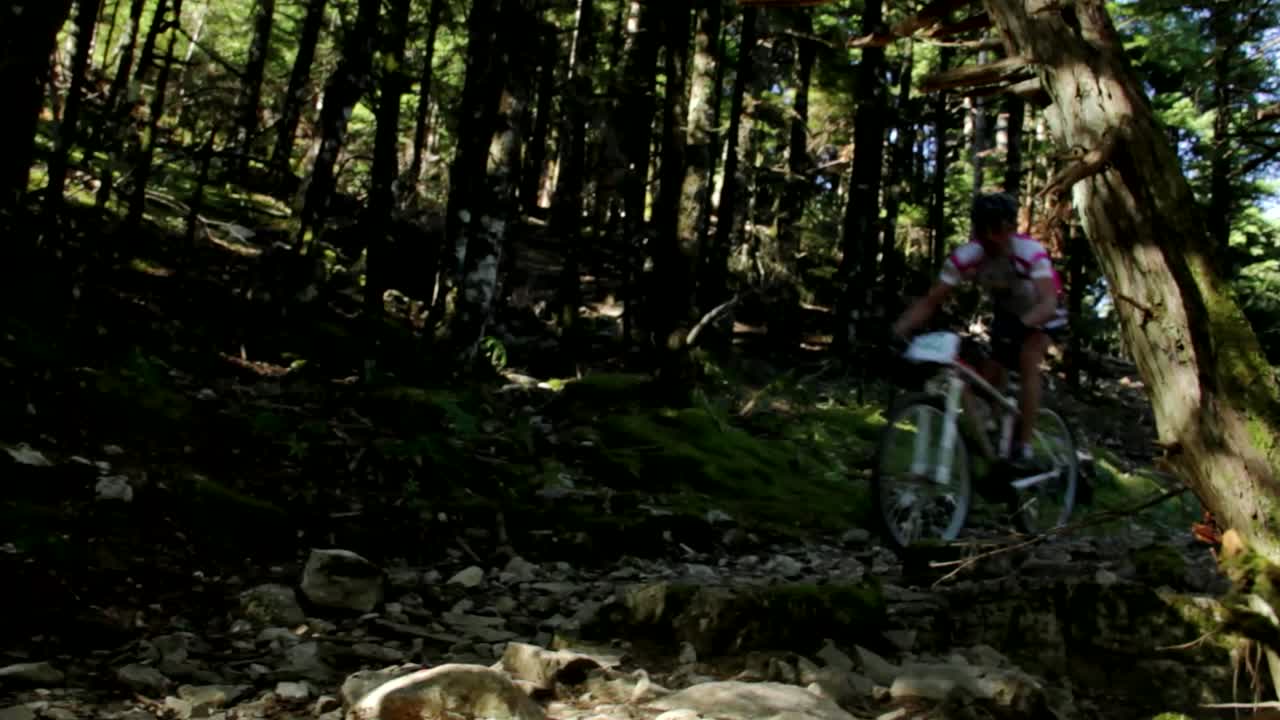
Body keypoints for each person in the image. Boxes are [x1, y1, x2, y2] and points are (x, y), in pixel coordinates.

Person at [891, 192, 1067, 473]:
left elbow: (1048, 301)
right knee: (987, 376)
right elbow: (930, 301)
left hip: (1045, 311)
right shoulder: (967, 256)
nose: (990, 237)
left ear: (1011, 228)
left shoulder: (1030, 252)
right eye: (982, 229)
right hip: (1009, 313)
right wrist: (897, 331)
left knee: (1027, 358)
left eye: (996, 229)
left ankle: (1024, 447)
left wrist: (1023, 326)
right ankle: (994, 438)